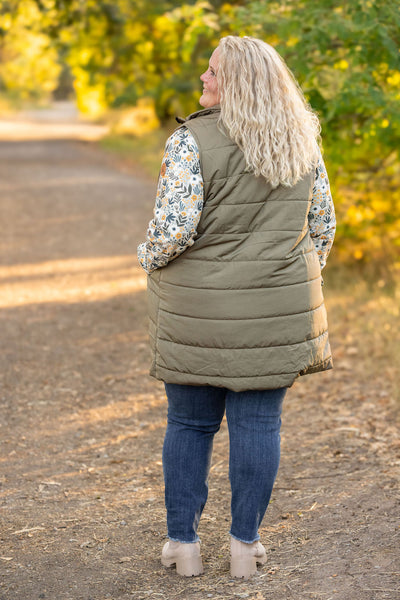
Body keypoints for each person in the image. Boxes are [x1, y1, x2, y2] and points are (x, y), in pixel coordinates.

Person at [137, 35, 335, 579]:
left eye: (214, 73)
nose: (203, 79)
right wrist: (283, 279)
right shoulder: (301, 141)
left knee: (189, 423)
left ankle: (184, 547)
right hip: (275, 311)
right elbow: (322, 228)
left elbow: (172, 232)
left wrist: (146, 258)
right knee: (259, 425)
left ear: (240, 83)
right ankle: (245, 549)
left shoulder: (190, 141)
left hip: (197, 311)